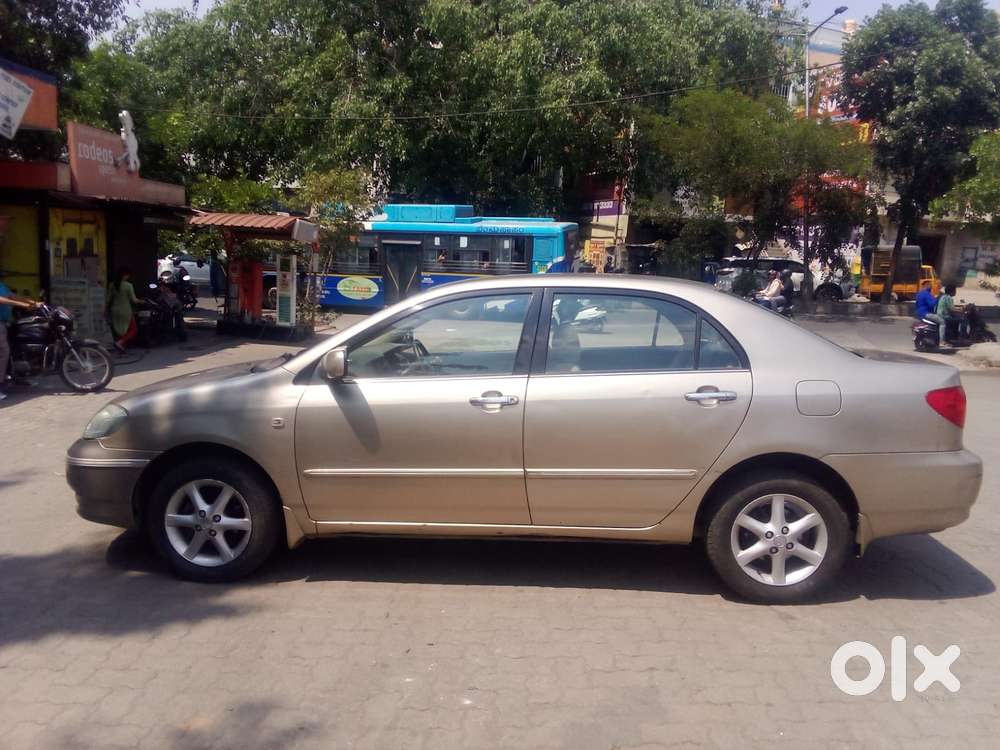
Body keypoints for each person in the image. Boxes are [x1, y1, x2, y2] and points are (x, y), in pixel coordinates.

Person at [0, 278, 39, 400]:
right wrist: (25, 305)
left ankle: (14, 377)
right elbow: (2, 300)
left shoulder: (1, 285)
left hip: (6, 322)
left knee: (16, 347)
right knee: (3, 351)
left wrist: (33, 302)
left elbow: (12, 296)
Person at [106, 267, 140, 353]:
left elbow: (108, 299)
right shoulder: (128, 285)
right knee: (133, 329)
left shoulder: (112, 285)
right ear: (125, 275)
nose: (128, 277)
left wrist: (105, 310)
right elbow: (134, 300)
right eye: (128, 275)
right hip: (125, 310)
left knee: (121, 331)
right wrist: (142, 301)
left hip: (115, 310)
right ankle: (120, 342)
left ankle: (121, 349)